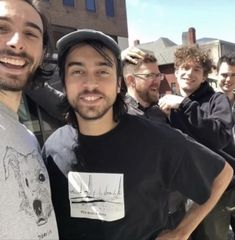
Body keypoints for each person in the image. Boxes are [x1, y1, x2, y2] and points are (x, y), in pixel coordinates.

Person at [43, 29, 233, 240]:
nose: (90, 83)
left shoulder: (156, 139)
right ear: (64, 82)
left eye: (102, 71)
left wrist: (182, 232)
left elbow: (221, 174)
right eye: (77, 71)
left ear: (118, 84)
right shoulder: (52, 148)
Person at [158, 46, 235, 240]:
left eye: (197, 69)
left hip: (217, 189)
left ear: (204, 76)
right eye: (185, 67)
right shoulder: (167, 103)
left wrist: (184, 105)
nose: (190, 73)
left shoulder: (217, 100)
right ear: (176, 72)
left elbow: (220, 136)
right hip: (183, 190)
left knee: (212, 236)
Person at [0, 0, 58, 239]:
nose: (17, 42)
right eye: (2, 28)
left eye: (31, 34)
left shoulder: (26, 137)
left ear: (43, 52)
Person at [217, 53, 235, 237]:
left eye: (233, 75)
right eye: (224, 74)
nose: (228, 79)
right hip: (220, 186)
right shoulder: (207, 106)